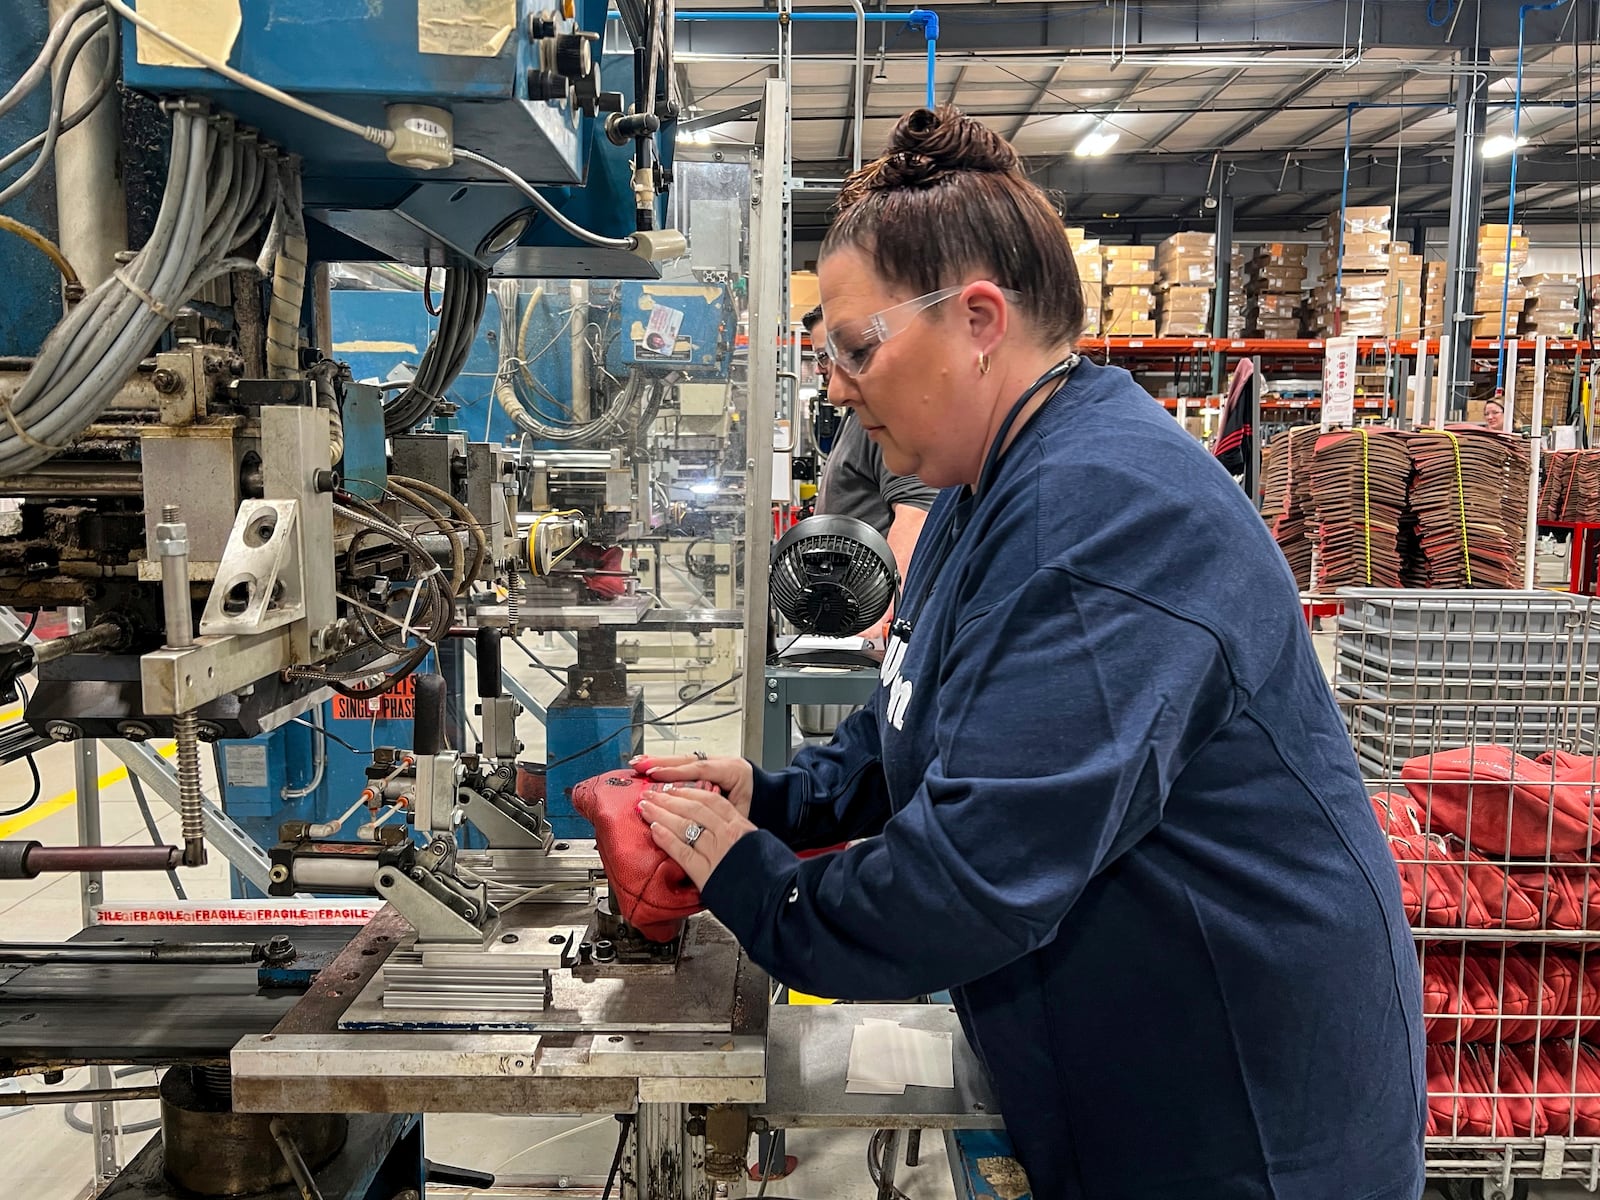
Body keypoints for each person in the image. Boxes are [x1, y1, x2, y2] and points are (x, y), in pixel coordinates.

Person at [633, 106, 1424, 1200]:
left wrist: (756, 886)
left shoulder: (1103, 509)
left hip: (1243, 1124)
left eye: (857, 349)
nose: (838, 388)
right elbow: (910, 712)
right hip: (1130, 1072)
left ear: (978, 321)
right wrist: (774, 801)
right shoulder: (987, 485)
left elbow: (972, 877)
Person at [801, 303, 935, 590]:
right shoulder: (857, 415)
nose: (828, 373)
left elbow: (916, 516)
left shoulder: (886, 416)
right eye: (823, 358)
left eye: (849, 354)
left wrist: (880, 617)